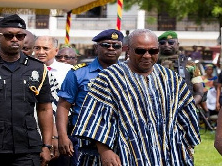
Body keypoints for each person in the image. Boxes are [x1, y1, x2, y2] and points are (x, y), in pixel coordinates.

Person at [72, 29, 201, 165]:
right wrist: (105, 151)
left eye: (153, 51)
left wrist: (186, 149)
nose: (147, 56)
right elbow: (95, 118)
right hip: (122, 155)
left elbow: (186, 117)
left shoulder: (171, 79)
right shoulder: (109, 78)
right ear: (128, 50)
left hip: (166, 155)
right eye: (140, 51)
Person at [56, 29, 123, 166]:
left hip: (118, 139)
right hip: (84, 139)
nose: (111, 48)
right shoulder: (78, 73)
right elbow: (63, 106)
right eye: (106, 45)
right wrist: (62, 136)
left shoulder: (127, 73)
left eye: (116, 45)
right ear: (96, 47)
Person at [0, 14, 53, 165]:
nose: (15, 39)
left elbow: (44, 108)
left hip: (27, 149)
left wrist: (47, 145)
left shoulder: (38, 68)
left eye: (20, 36)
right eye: (9, 35)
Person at [34, 36, 73, 165]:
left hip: (62, 129)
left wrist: (58, 135)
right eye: (37, 48)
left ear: (56, 51)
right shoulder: (27, 69)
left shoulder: (68, 71)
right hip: (35, 129)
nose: (40, 52)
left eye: (45, 48)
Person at [157, 30, 204, 105]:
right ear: (158, 45)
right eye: (162, 43)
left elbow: (200, 91)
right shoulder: (152, 64)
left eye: (171, 42)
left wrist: (190, 106)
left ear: (177, 44)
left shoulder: (189, 65)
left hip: (184, 108)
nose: (166, 45)